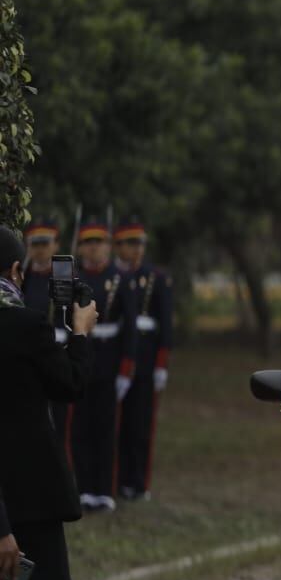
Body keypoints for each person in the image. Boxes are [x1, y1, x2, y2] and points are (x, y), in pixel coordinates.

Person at [0, 225, 97, 580]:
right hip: (31, 501)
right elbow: (69, 383)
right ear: (17, 271)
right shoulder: (25, 325)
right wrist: (78, 333)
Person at [72, 216, 136, 512]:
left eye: (98, 242)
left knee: (106, 426)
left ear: (108, 246)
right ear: (80, 247)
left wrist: (126, 369)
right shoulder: (73, 277)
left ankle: (104, 489)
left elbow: (131, 327)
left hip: (109, 360)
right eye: (88, 242)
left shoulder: (120, 278)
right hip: (82, 355)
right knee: (80, 426)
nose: (93, 248)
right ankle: (83, 487)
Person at [113, 216, 173, 502]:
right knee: (115, 424)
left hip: (146, 359)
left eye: (140, 243)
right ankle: (114, 478)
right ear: (118, 246)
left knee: (140, 424)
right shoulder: (113, 275)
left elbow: (166, 325)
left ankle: (137, 482)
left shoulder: (155, 278)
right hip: (116, 355)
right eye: (130, 243)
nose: (136, 249)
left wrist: (161, 365)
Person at [21, 217, 71, 448]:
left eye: (45, 243)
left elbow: (73, 315)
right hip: (27, 355)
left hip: (56, 353)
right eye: (35, 244)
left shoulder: (63, 274)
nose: (40, 250)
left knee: (57, 422)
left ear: (56, 245)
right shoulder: (22, 275)